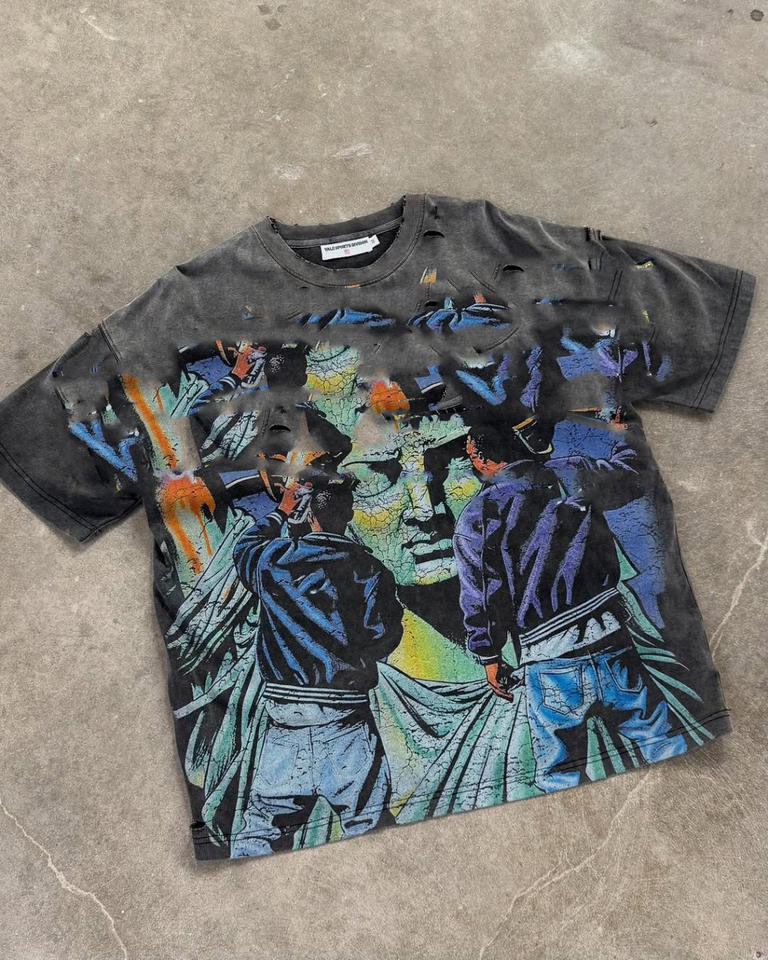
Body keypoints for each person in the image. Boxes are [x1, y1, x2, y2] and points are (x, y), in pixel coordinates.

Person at [452, 419, 687, 792]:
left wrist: (489, 656)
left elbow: (482, 594)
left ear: (481, 461)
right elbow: (632, 475)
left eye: (470, 458)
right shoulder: (570, 472)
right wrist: (624, 433)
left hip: (548, 659)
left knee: (559, 776)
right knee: (663, 741)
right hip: (610, 639)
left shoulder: (477, 516)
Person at [229, 472, 403, 856]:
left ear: (308, 515)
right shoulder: (370, 570)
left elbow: (244, 547)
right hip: (346, 721)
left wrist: (280, 511)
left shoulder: (273, 560)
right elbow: (383, 636)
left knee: (261, 835)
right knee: (370, 830)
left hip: (284, 722)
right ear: (350, 514)